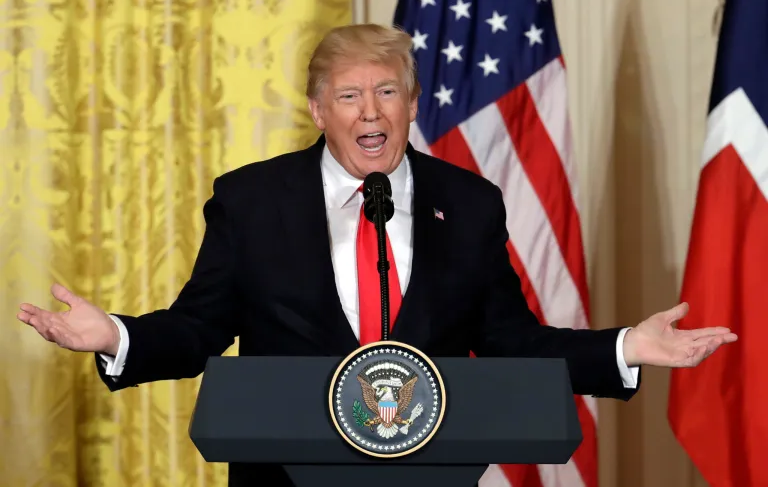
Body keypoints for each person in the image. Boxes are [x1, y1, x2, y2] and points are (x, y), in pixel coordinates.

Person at [16, 24, 737, 486]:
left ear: (413, 101)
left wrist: (626, 346)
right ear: (317, 109)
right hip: (285, 477)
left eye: (388, 92)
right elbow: (200, 329)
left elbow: (513, 340)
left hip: (434, 472)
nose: (371, 112)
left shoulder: (471, 202)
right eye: (351, 95)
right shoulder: (252, 202)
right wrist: (115, 334)